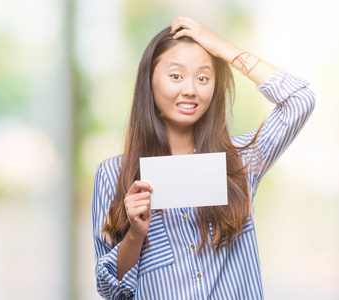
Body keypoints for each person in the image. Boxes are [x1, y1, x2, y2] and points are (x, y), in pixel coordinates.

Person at [91, 15, 315, 299]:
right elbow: (110, 290)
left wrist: (221, 48)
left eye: (203, 78)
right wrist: (135, 234)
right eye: (176, 76)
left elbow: (300, 100)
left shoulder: (240, 162)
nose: (190, 89)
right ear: (149, 82)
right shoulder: (113, 175)